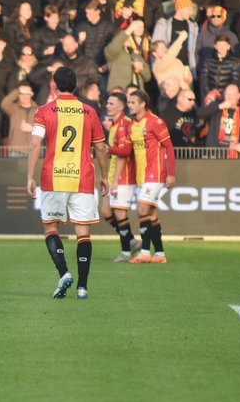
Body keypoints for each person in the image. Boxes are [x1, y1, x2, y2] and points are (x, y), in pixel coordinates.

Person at [26, 67, 108, 299]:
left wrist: (29, 176)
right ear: (75, 86)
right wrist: (105, 175)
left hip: (54, 178)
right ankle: (82, 287)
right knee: (83, 232)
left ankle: (63, 273)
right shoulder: (89, 111)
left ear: (54, 85)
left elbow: (34, 144)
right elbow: (100, 147)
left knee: (51, 227)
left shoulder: (44, 111)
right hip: (83, 178)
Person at [112, 90, 175, 264]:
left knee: (141, 210)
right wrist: (108, 148)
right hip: (142, 176)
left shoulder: (155, 121)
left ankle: (145, 252)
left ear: (143, 104)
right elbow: (126, 151)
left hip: (155, 174)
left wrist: (171, 173)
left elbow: (169, 147)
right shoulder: (133, 125)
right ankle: (160, 254)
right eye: (129, 102)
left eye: (133, 102)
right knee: (152, 215)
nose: (129, 105)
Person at [102, 90, 142, 262]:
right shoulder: (114, 125)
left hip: (123, 177)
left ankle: (126, 252)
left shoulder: (125, 124)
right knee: (105, 211)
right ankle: (132, 241)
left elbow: (124, 153)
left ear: (121, 106)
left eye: (111, 103)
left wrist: (116, 180)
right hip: (113, 176)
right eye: (108, 103)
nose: (107, 106)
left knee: (119, 213)